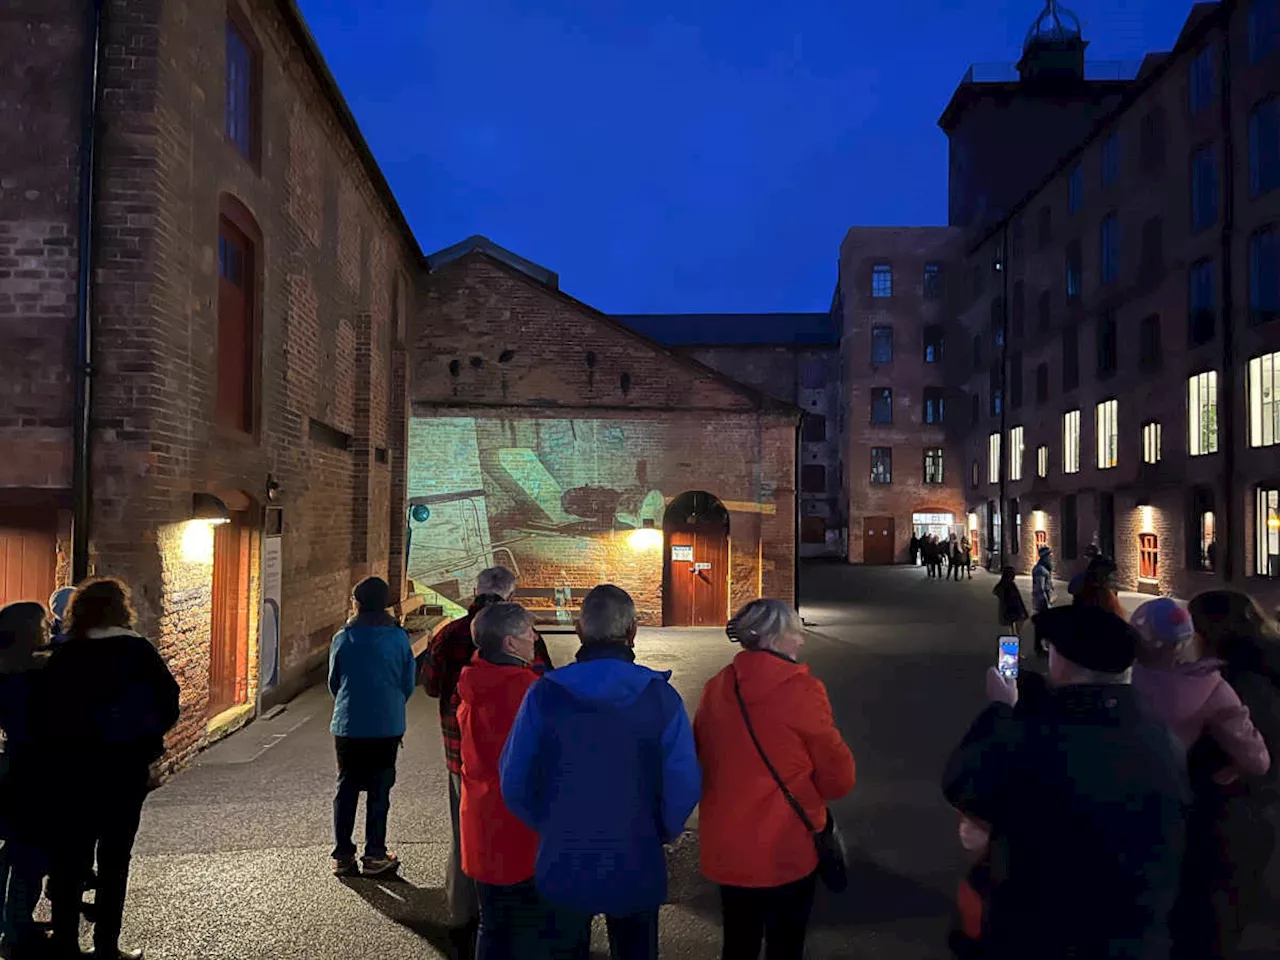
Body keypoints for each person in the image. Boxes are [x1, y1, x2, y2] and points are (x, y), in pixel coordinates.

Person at [942, 603, 1188, 960]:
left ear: (1063, 661)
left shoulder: (1039, 736)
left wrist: (1000, 711)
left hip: (1046, 930)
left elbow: (964, 783)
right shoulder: (1161, 737)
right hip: (1138, 929)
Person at [499, 584, 700, 960]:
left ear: (579, 630)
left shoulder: (544, 695)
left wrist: (549, 824)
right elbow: (683, 782)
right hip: (637, 852)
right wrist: (664, 829)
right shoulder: (660, 697)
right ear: (632, 632)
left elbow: (514, 780)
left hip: (563, 853)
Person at [693, 599, 855, 960]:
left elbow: (702, 756)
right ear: (775, 638)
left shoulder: (717, 687)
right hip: (786, 847)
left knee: (738, 942)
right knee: (785, 943)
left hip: (729, 845)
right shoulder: (803, 691)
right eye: (795, 633)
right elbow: (838, 779)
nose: (801, 641)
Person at [40, 578, 180, 960]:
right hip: (124, 768)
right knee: (115, 857)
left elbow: (46, 713)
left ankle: (66, 942)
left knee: (71, 856)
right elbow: (169, 702)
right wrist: (146, 743)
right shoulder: (137, 651)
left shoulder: (67, 654)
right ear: (121, 609)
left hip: (72, 770)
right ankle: (106, 945)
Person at [422, 566, 552, 943]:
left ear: (476, 590)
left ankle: (463, 911)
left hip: (460, 750)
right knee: (516, 832)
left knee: (467, 829)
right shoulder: (517, 636)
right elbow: (544, 680)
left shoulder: (449, 634)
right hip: (519, 754)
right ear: (509, 595)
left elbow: (430, 686)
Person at [1175, 591, 1280, 960]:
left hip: (1228, 817)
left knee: (1209, 928)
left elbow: (1251, 750)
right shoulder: (1260, 670)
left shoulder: (1231, 686)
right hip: (1247, 813)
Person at [456, 603, 545, 960]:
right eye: (528, 633)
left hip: (480, 818)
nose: (534, 638)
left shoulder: (472, 681)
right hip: (521, 825)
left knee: (492, 924)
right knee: (531, 926)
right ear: (510, 643)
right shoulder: (529, 691)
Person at [328, 576, 417, 878]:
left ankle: (343, 856)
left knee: (347, 786)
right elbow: (408, 683)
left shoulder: (343, 637)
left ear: (357, 603)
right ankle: (375, 854)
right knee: (380, 789)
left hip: (348, 723)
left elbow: (334, 681)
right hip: (387, 724)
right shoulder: (398, 638)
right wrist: (390, 702)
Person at [1130, 598, 1270, 776]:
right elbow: (1257, 760)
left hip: (1124, 776)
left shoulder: (1128, 676)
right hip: (1172, 781)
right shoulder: (1211, 686)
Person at [0, 602, 50, 957]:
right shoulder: (28, 674)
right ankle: (17, 931)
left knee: (17, 851)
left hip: (14, 766)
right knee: (31, 853)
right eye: (43, 624)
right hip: (33, 770)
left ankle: (14, 923)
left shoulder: (10, 669)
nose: (47, 629)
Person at [992, 567, 1028, 637]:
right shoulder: (1008, 585)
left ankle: (1014, 634)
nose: (1014, 575)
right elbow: (1015, 599)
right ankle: (1015, 635)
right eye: (1013, 574)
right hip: (1012, 610)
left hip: (1010, 610)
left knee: (1012, 624)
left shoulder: (1007, 584)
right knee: (1018, 621)